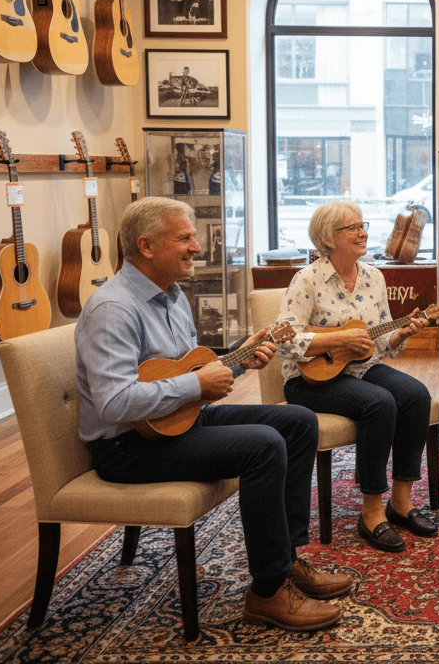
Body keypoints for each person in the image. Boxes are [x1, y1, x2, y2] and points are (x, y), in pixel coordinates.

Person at [76, 197, 350, 632]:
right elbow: (114, 403)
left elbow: (191, 370)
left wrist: (242, 357)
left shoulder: (171, 297)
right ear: (146, 246)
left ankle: (286, 559)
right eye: (184, 238)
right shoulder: (114, 309)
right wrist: (197, 386)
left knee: (298, 422)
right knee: (263, 446)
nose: (197, 247)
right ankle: (267, 593)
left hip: (175, 424)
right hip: (126, 447)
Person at [274, 200, 436, 553]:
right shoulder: (306, 280)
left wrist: (403, 332)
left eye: (363, 226)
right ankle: (372, 512)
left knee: (416, 395)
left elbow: (378, 341)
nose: (363, 233)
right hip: (308, 379)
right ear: (328, 238)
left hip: (361, 368)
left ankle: (401, 502)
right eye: (353, 228)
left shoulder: (373, 276)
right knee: (379, 403)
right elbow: (282, 341)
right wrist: (337, 338)